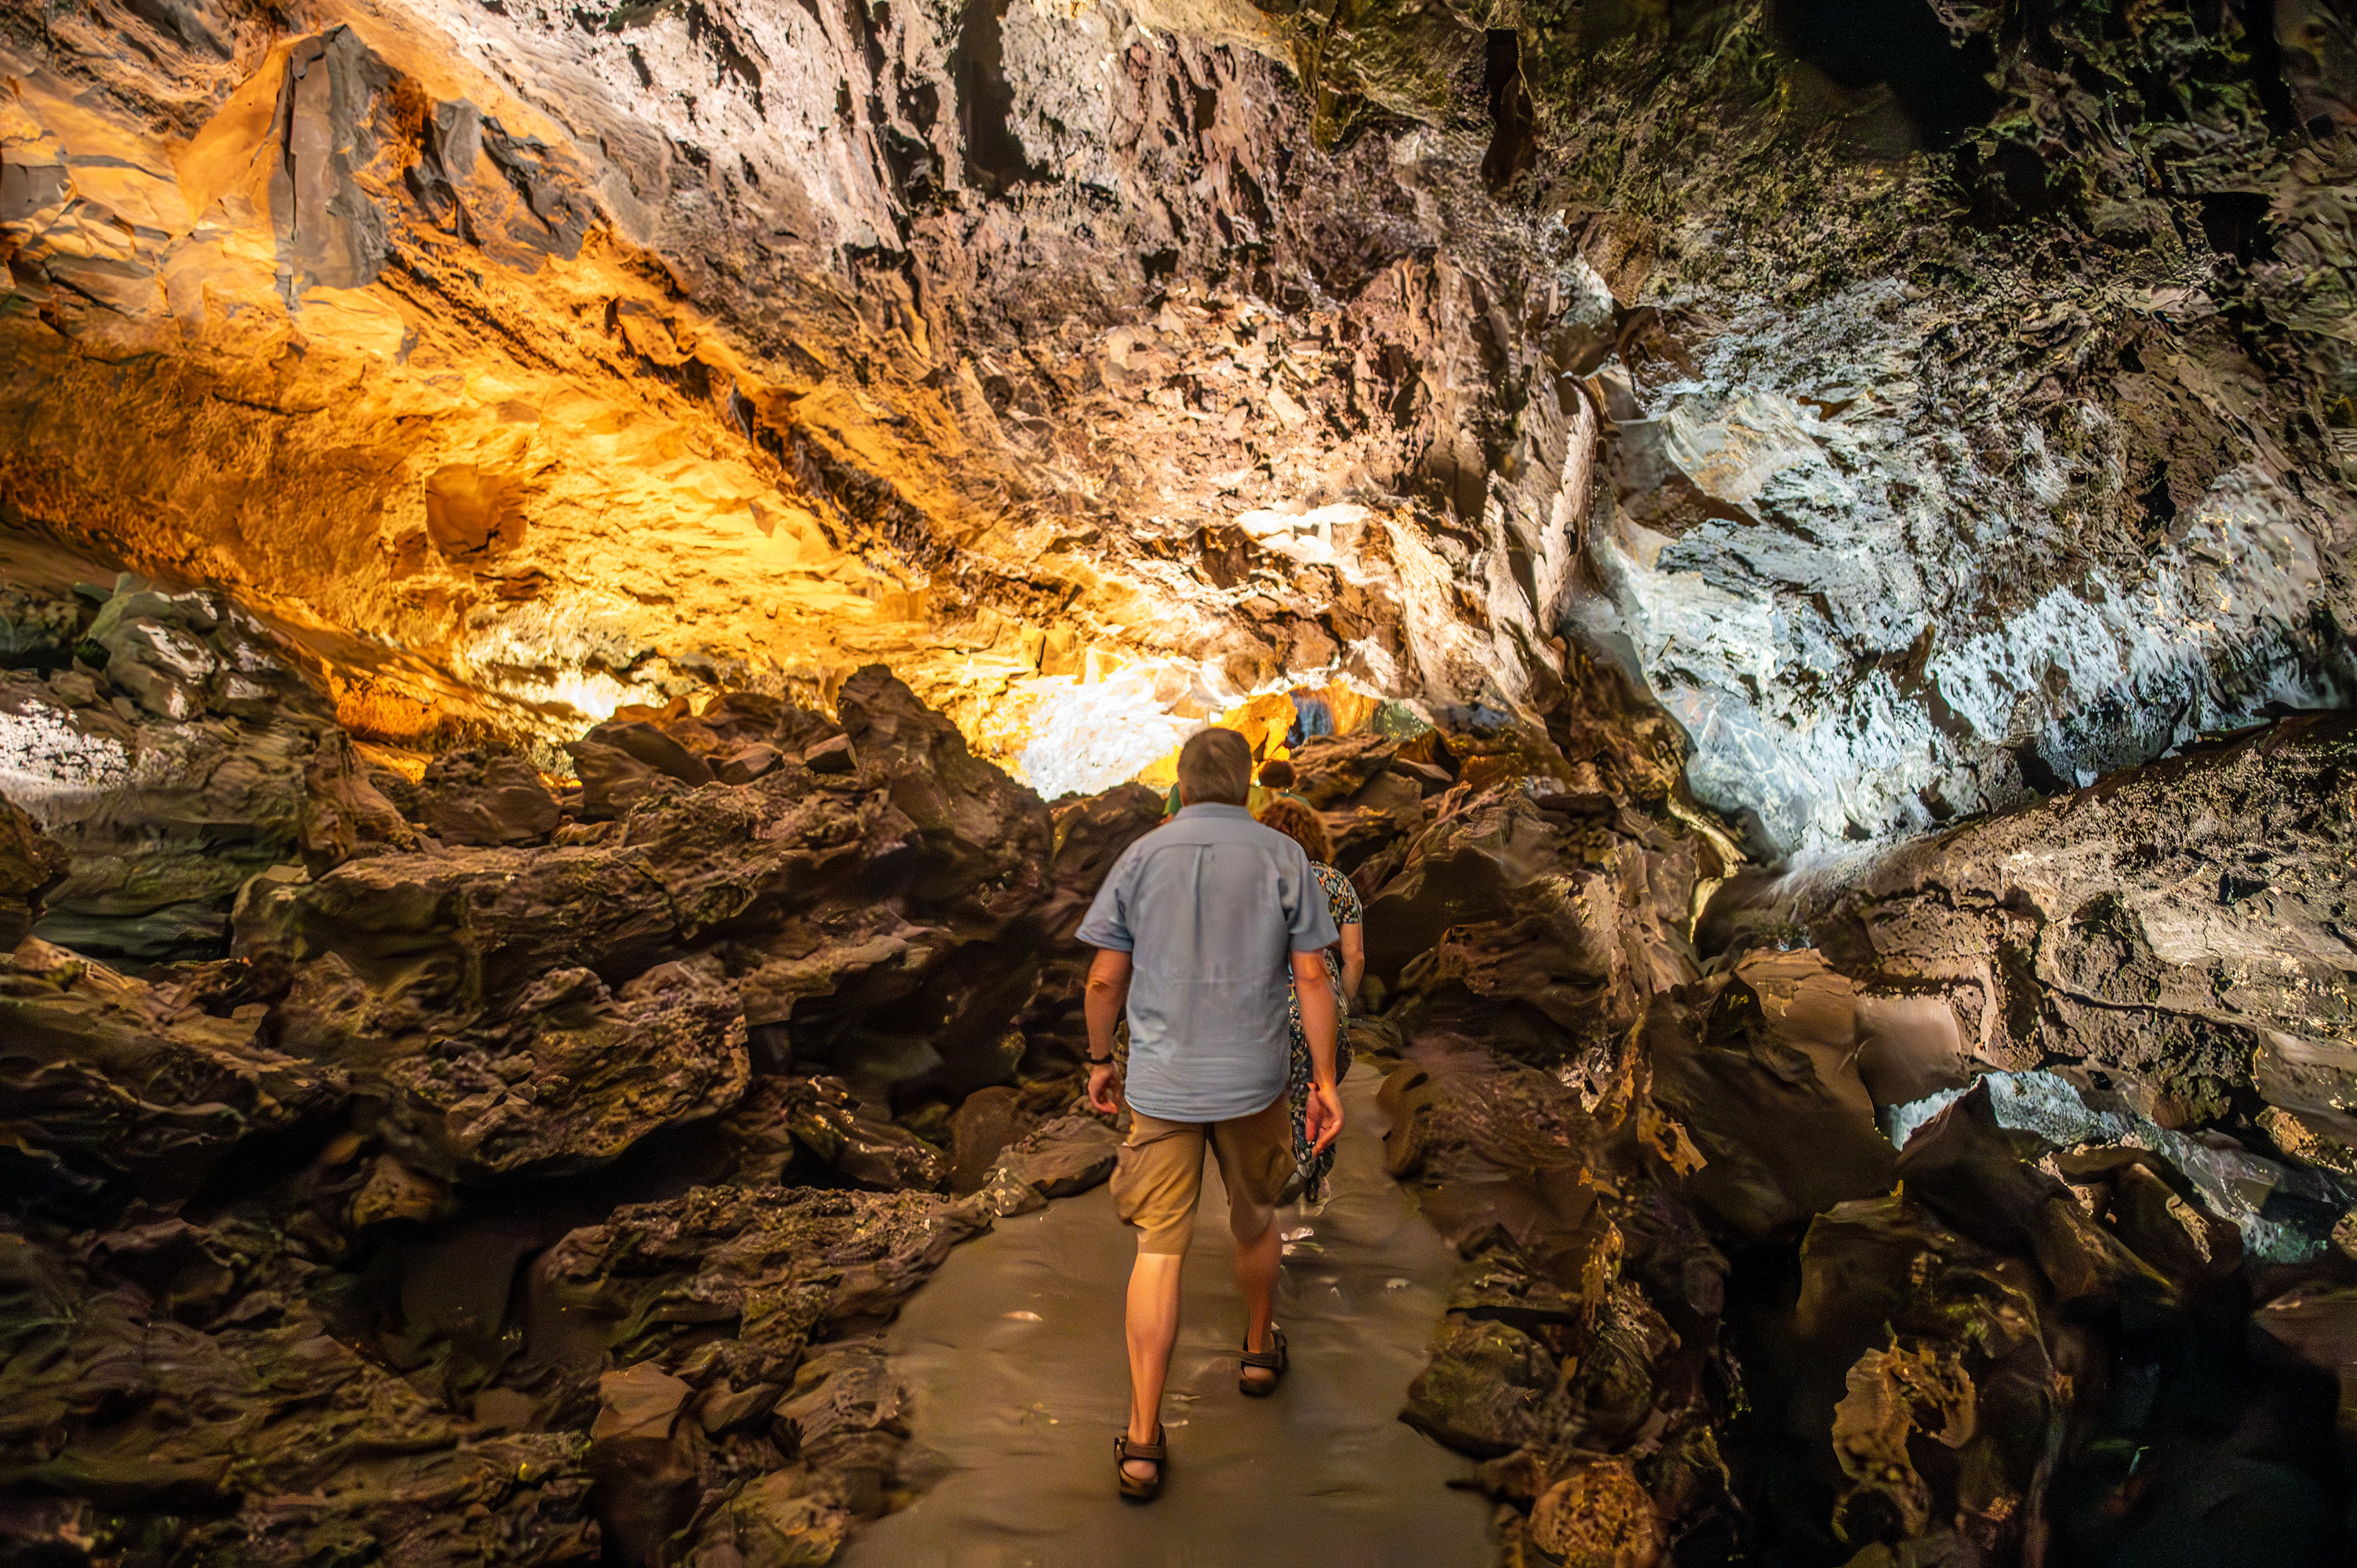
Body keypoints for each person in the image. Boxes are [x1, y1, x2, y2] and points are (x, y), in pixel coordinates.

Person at [1079, 727, 1343, 1501]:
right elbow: (1314, 978)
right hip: (1254, 1080)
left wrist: (1100, 1059)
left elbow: (1104, 979)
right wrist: (1325, 1080)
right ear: (1247, 786)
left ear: (1183, 784)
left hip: (1161, 1084)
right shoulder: (1283, 856)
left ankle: (1141, 1440)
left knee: (1158, 1249)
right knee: (1255, 1218)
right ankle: (1258, 1351)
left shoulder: (1140, 857)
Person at [1253, 798, 1363, 1201]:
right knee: (1318, 1087)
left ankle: (1283, 1170)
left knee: (1279, 1096)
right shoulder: (1337, 883)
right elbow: (1355, 957)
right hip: (1319, 995)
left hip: (1269, 999)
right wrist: (1343, 1005)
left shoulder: (1260, 881)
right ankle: (1313, 1171)